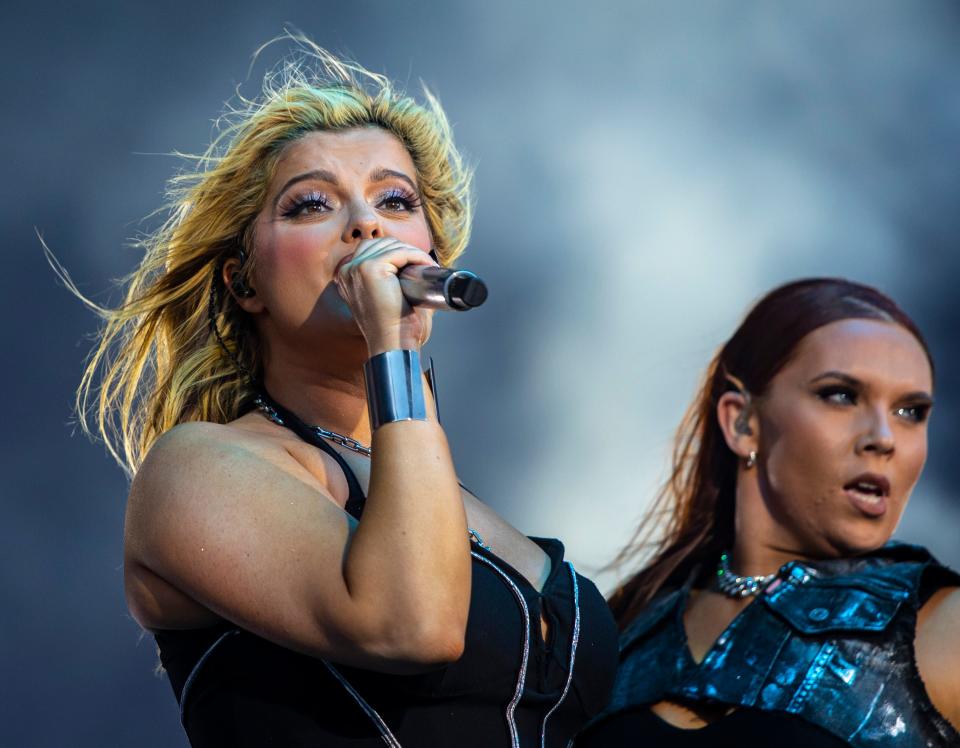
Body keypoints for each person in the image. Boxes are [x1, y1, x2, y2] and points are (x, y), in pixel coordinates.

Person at [75, 39, 618, 746]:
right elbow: (410, 623)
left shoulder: (449, 497)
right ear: (244, 283)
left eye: (395, 199)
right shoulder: (197, 469)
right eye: (311, 205)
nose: (367, 225)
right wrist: (391, 349)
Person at [577, 278, 960, 747]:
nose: (884, 437)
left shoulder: (941, 627)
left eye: (911, 412)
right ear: (743, 422)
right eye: (841, 395)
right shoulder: (624, 628)